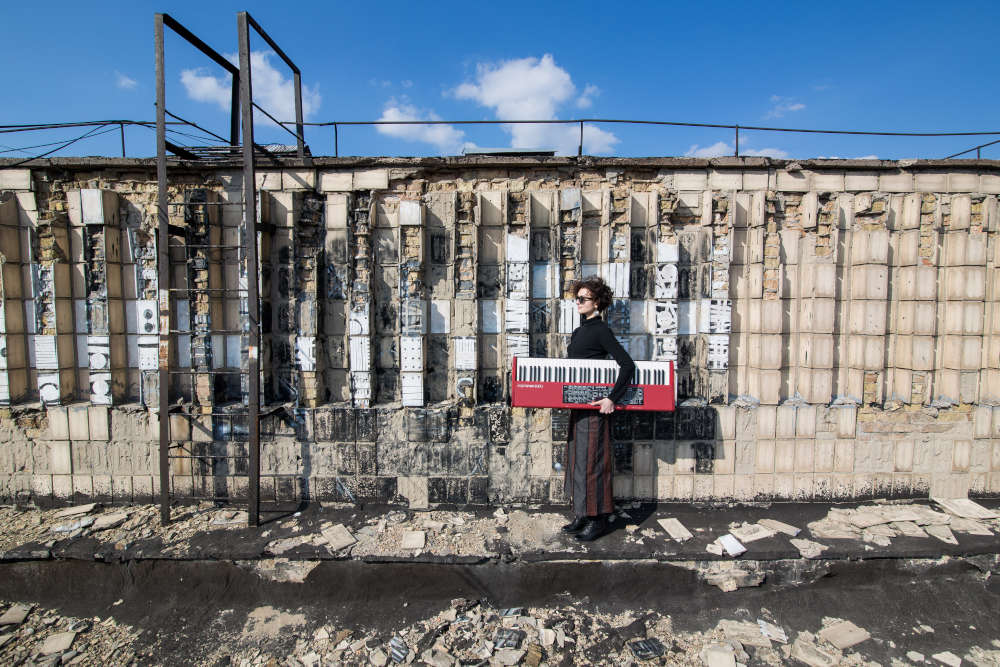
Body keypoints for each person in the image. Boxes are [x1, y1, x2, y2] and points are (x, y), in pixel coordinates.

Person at [561, 276, 635, 542]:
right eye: (577, 298)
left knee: (593, 463)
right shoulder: (581, 330)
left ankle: (599, 519)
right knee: (578, 461)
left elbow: (627, 365)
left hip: (595, 410)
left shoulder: (601, 330)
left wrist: (611, 399)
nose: (578, 302)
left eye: (583, 299)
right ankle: (583, 513)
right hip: (578, 406)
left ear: (597, 303)